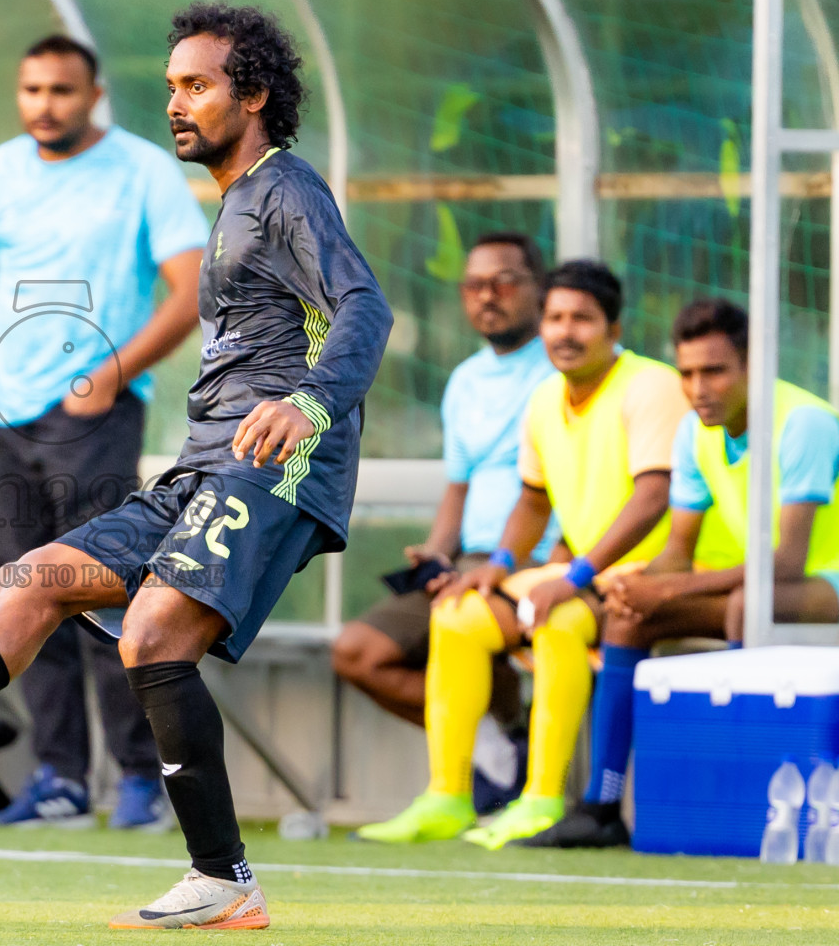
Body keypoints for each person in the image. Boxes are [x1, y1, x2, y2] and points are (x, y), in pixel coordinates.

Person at [0, 2, 392, 929]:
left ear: (252, 94)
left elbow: (364, 308)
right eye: (172, 85)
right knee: (34, 580)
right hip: (204, 466)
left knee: (152, 638)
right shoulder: (230, 202)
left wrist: (305, 403)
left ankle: (223, 878)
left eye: (198, 85)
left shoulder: (285, 188)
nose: (176, 103)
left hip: (274, 462)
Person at [359, 260, 686, 849]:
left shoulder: (651, 386)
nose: (565, 331)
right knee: (458, 613)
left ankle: (541, 799)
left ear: (614, 328)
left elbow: (653, 497)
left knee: (556, 615)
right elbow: (533, 502)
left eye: (582, 319)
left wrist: (575, 573)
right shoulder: (543, 399)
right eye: (556, 317)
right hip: (579, 571)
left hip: (654, 574)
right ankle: (448, 796)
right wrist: (500, 565)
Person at [0, 34, 208, 830]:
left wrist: (109, 371)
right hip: (6, 414)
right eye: (32, 89)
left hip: (97, 413)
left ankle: (142, 778)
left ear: (94, 93)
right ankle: (60, 777)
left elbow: (187, 293)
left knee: (105, 599)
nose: (46, 105)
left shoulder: (143, 170)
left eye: (63, 91)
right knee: (22, 593)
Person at [532, 298, 839, 847]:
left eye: (715, 371)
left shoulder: (803, 422)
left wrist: (672, 586)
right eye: (689, 373)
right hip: (763, 586)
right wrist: (640, 583)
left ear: (753, 366)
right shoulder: (695, 432)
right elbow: (678, 550)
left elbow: (788, 563)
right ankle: (600, 808)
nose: (699, 388)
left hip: (822, 581)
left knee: (749, 602)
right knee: (628, 617)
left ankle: (747, 792)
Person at [332, 231, 555, 811]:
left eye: (504, 281)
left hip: (534, 560)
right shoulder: (465, 381)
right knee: (356, 651)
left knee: (473, 622)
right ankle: (494, 743)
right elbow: (459, 487)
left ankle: (504, 757)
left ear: (538, 288)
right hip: (467, 559)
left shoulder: (559, 372)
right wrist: (435, 551)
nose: (488, 295)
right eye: (474, 285)